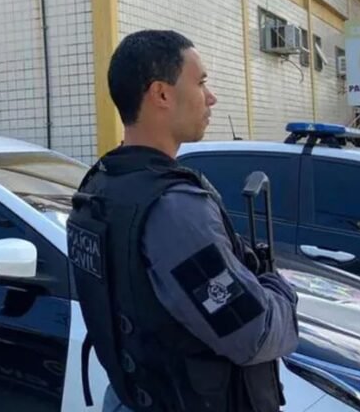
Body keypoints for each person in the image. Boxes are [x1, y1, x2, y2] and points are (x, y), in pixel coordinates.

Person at [67, 30, 299, 412]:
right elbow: (253, 335)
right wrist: (282, 291)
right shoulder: (173, 210)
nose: (211, 97)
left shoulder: (100, 185)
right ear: (161, 94)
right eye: (201, 82)